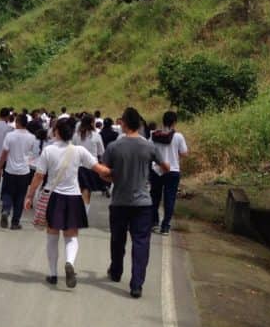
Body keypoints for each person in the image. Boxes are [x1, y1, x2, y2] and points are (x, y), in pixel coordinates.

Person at [26, 117, 111, 288]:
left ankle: (52, 273)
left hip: (54, 197)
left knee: (52, 235)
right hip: (73, 197)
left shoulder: (48, 151)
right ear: (72, 134)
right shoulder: (79, 150)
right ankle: (70, 263)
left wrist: (29, 195)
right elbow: (99, 169)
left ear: (56, 131)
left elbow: (39, 176)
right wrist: (120, 174)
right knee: (71, 236)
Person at [101, 107, 170, 298]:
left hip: (120, 201)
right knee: (141, 243)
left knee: (117, 239)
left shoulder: (114, 146)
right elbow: (165, 167)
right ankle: (137, 283)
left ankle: (116, 271)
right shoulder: (149, 146)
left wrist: (114, 178)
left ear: (123, 123)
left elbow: (105, 173)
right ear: (139, 125)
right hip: (142, 203)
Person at [150, 110, 189, 235]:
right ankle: (165, 226)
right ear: (174, 122)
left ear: (163, 121)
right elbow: (184, 153)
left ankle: (154, 223)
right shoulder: (178, 137)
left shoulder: (154, 134)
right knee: (169, 199)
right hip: (172, 171)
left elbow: (148, 149)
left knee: (154, 197)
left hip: (157, 170)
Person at [0, 112, 35, 229]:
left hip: (10, 170)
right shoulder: (32, 137)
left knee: (7, 192)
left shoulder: (10, 135)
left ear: (17, 122)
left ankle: (6, 210)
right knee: (20, 196)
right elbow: (31, 154)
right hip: (24, 171)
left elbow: (4, 153)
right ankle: (15, 222)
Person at [72, 112, 105, 212]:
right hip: (91, 166)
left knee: (78, 189)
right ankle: (84, 213)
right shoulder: (96, 136)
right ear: (91, 123)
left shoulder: (76, 135)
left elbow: (72, 149)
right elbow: (101, 152)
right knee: (87, 190)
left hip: (77, 165)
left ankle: (77, 211)